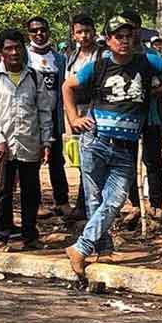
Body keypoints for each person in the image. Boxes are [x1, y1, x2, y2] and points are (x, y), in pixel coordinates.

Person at [61, 16, 162, 280]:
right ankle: (103, 249)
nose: (124, 41)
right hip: (95, 141)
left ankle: (80, 248)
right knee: (94, 200)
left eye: (128, 36)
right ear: (109, 40)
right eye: (118, 36)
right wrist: (74, 118)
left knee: (113, 201)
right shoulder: (98, 66)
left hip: (126, 148)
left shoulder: (147, 62)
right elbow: (68, 87)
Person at [0, 28, 52, 250]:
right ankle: (1, 236)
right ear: (1, 51)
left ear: (24, 49)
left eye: (18, 47)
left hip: (29, 143)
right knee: (2, 192)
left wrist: (46, 141)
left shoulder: (34, 76)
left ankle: (30, 236)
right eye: (8, 48)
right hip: (3, 147)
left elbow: (44, 111)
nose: (14, 52)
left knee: (31, 192)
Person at [121, 10, 162, 227]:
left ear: (139, 30)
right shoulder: (116, 57)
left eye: (132, 28)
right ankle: (135, 205)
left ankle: (156, 206)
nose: (128, 34)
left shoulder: (152, 57)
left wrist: (148, 92)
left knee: (153, 161)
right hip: (126, 120)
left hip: (150, 118)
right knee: (128, 163)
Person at [26, 17, 70, 217]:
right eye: (34, 31)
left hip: (54, 117)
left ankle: (61, 200)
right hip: (32, 119)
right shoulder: (24, 57)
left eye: (43, 30)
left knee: (56, 160)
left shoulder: (59, 59)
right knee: (32, 161)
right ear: (29, 34)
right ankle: (34, 204)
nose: (39, 34)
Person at [65, 14, 100, 220]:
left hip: (95, 112)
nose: (84, 36)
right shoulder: (71, 56)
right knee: (78, 159)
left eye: (87, 31)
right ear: (74, 35)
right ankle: (82, 203)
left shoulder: (102, 55)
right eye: (80, 32)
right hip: (74, 113)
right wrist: (71, 116)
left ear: (94, 32)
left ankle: (88, 206)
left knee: (94, 158)